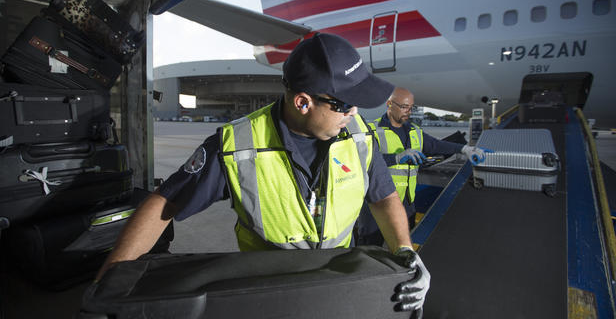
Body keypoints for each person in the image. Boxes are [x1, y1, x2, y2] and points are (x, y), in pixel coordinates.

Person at [96, 33, 430, 313]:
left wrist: (404, 251)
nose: (355, 112)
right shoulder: (237, 147)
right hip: (272, 298)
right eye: (344, 104)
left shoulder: (357, 135)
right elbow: (164, 204)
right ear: (303, 103)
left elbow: (384, 196)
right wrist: (108, 281)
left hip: (338, 288)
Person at [356, 87, 491, 245]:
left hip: (407, 204)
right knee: (371, 250)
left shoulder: (415, 131)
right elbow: (363, 161)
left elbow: (436, 145)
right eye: (404, 107)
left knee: (404, 249)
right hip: (379, 204)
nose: (409, 111)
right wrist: (397, 158)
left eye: (411, 107)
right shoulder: (372, 130)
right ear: (389, 104)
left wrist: (465, 149)